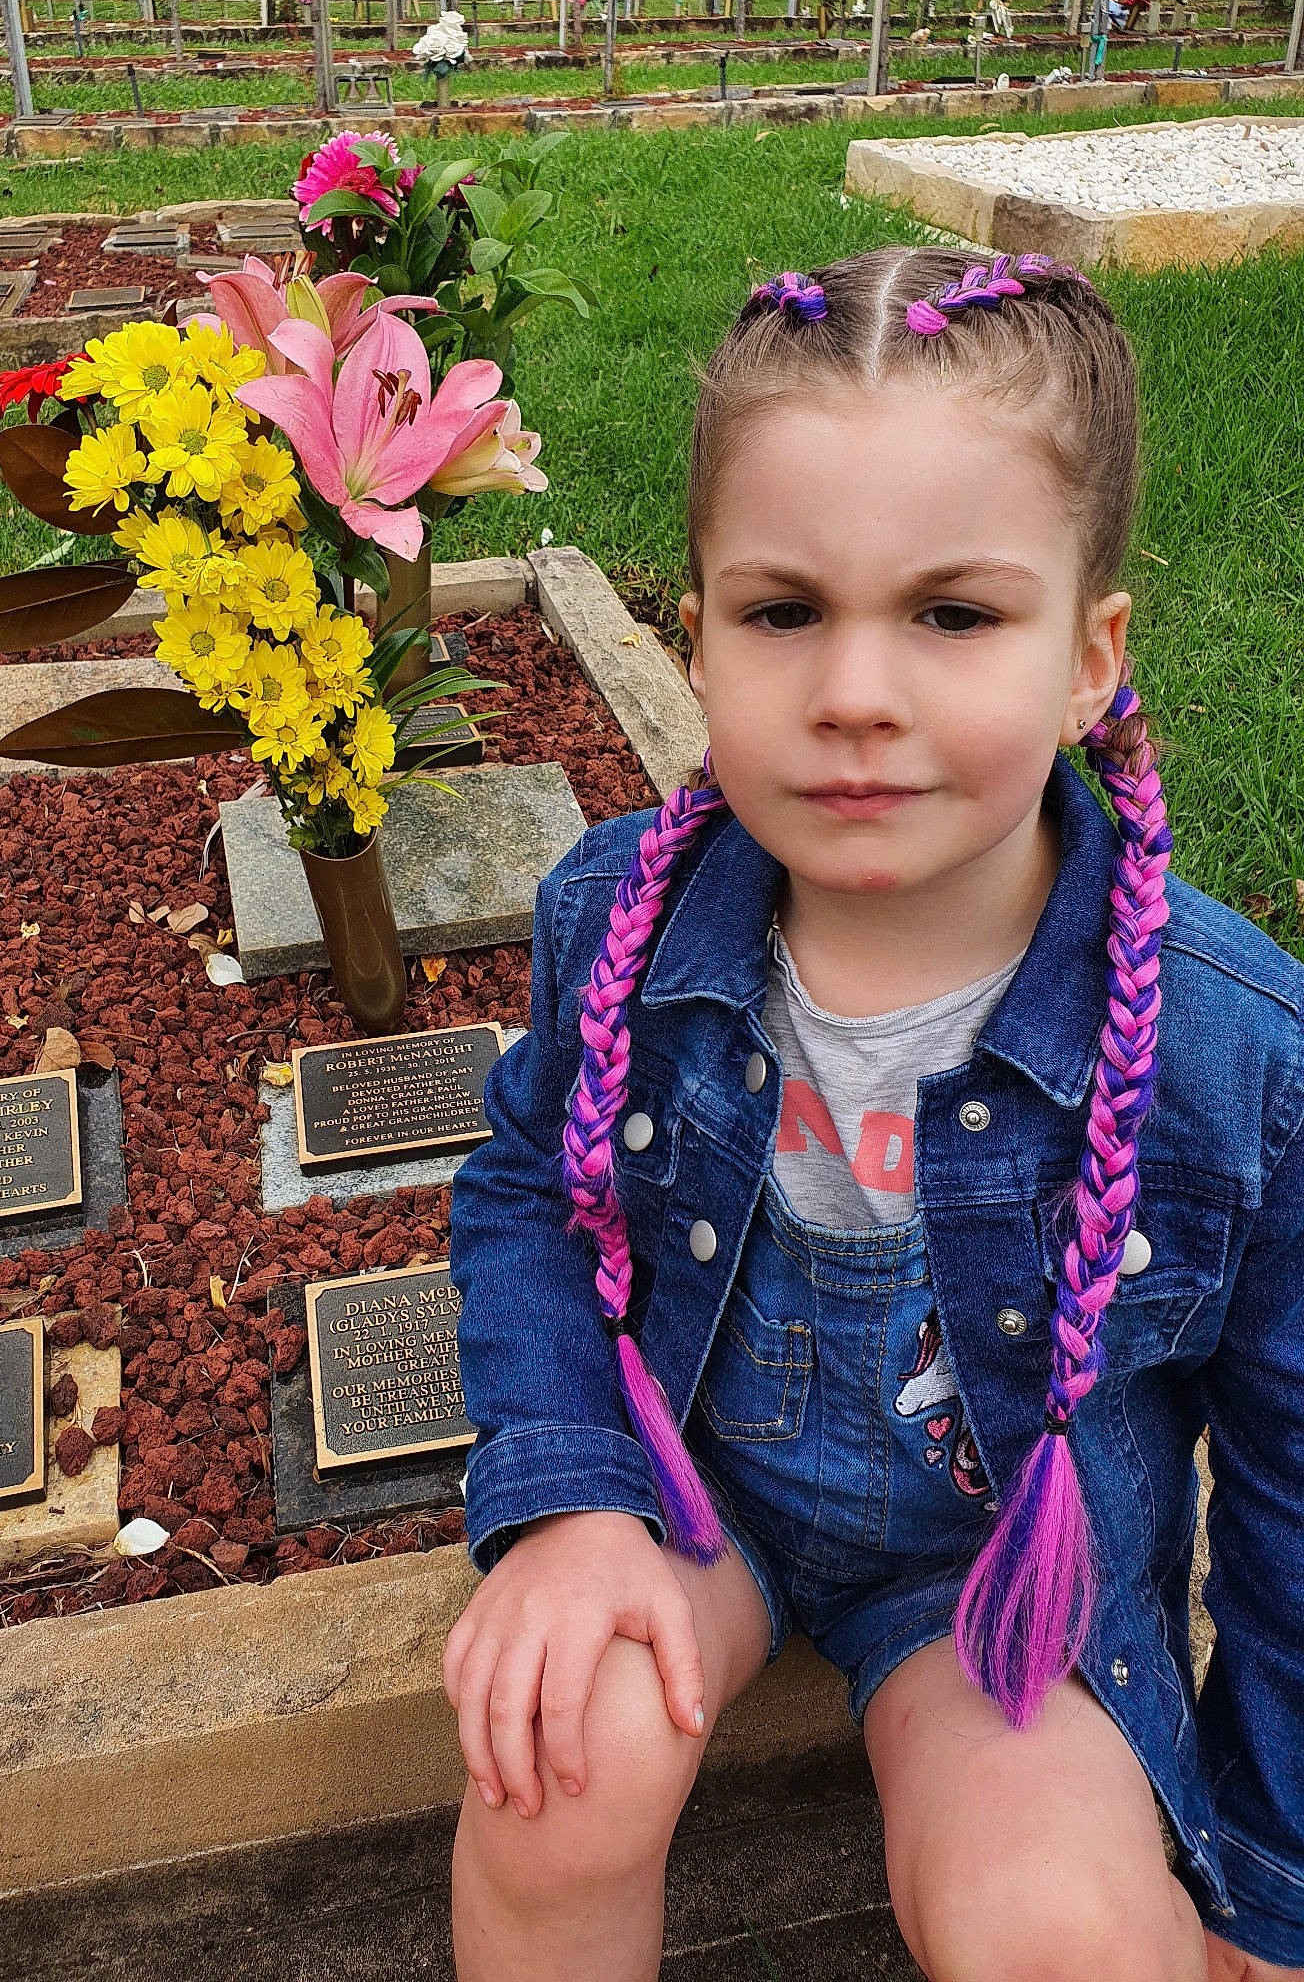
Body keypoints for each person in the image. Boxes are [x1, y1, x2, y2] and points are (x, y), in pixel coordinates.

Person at [442, 245, 1304, 1982]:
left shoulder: (1231, 1050)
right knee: (562, 1770)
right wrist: (571, 1499)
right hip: (693, 1495)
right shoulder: (619, 917)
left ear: (1090, 653)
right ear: (694, 630)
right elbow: (533, 1185)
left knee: (1064, 1931)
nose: (853, 692)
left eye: (954, 615)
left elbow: (1294, 1482)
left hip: (997, 1588)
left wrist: (1277, 1887)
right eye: (782, 611)